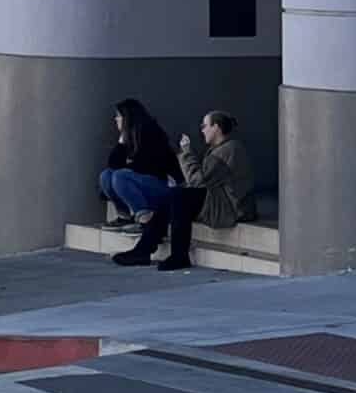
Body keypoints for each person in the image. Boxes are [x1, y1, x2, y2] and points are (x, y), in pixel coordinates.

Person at [117, 108, 256, 271]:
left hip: (231, 208)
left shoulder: (228, 150)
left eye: (204, 125)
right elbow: (202, 182)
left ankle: (167, 253)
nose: (201, 129)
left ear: (216, 127)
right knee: (174, 196)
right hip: (222, 201)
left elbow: (197, 181)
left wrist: (186, 153)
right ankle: (148, 250)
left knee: (178, 196)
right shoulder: (224, 148)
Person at [96, 98, 176, 233]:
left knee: (120, 176)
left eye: (118, 116)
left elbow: (150, 167)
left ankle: (146, 219)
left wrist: (128, 166)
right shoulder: (129, 136)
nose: (115, 119)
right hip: (142, 183)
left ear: (127, 117)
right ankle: (124, 217)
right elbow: (113, 164)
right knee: (106, 175)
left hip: (161, 188)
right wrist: (121, 143)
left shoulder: (153, 133)